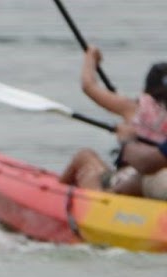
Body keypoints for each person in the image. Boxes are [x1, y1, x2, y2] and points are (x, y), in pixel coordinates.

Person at [58, 47, 167, 198]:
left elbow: (89, 86)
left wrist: (90, 57)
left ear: (146, 89)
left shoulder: (133, 107)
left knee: (85, 157)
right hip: (154, 181)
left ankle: (56, 195)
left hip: (132, 177)